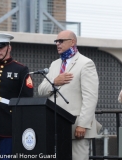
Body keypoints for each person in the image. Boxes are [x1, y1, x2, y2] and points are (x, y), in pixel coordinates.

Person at [38, 30, 99, 160]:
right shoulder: (55, 64)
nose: (57, 44)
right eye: (56, 41)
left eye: (61, 41)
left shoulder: (86, 63)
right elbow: (41, 90)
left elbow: (90, 97)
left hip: (76, 126)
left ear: (72, 42)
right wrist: (54, 82)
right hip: (54, 125)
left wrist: (82, 124)